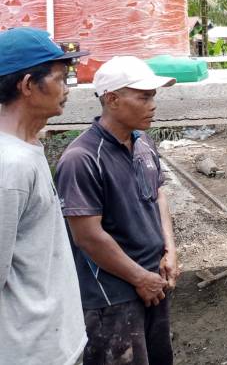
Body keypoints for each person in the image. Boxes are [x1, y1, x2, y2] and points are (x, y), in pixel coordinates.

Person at [55, 56, 180, 365]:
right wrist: (139, 278)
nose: (153, 105)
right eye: (144, 97)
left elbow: (158, 193)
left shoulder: (143, 142)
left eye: (153, 96)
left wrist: (170, 250)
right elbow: (88, 236)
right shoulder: (81, 159)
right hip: (112, 296)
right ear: (112, 99)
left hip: (153, 282)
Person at [0, 27, 88, 365]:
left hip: (52, 340)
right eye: (60, 78)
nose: (66, 89)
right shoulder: (10, 166)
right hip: (29, 351)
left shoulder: (28, 147)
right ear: (27, 85)